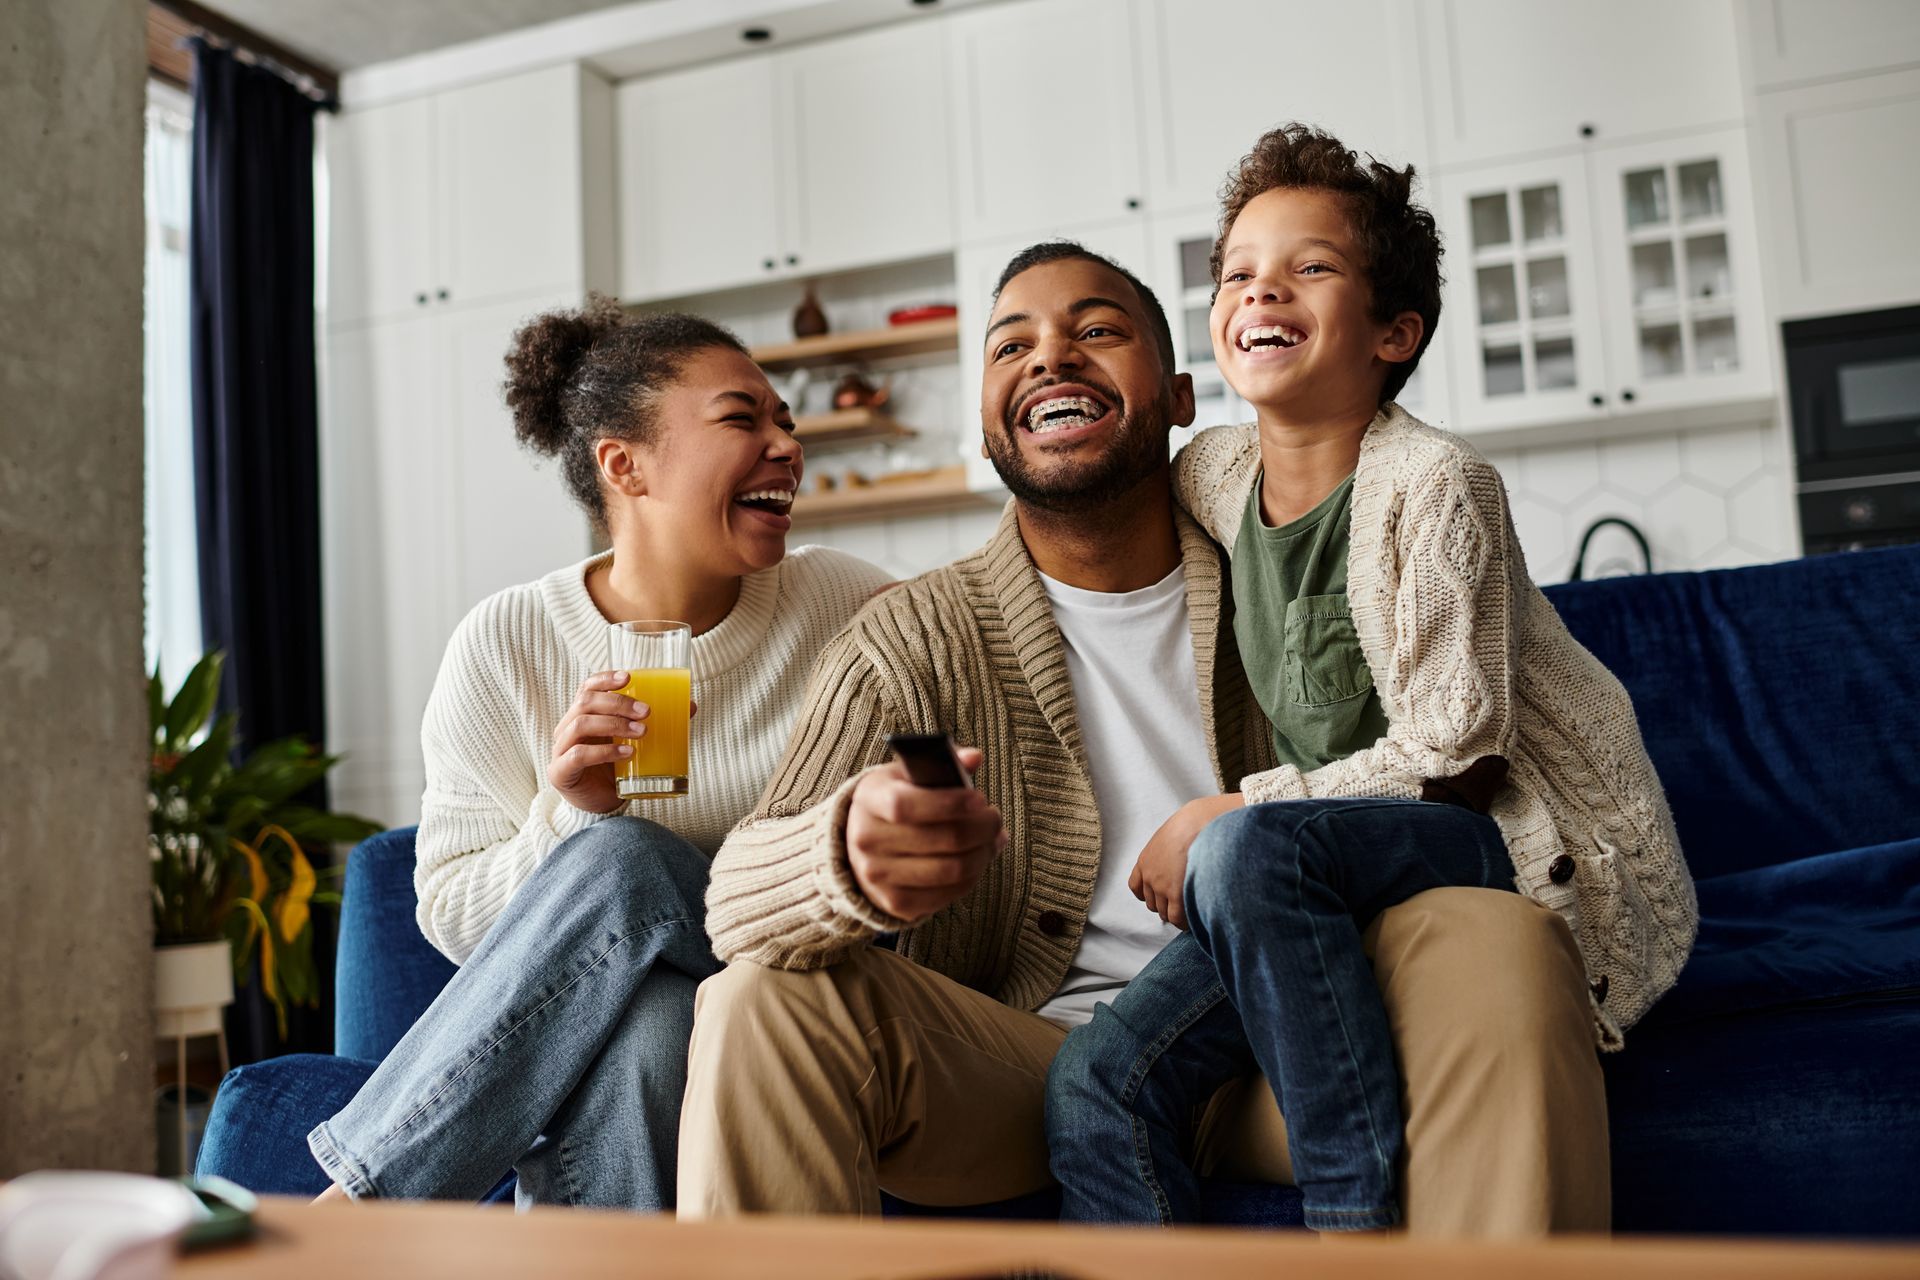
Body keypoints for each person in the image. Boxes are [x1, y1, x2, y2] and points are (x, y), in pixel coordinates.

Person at [673, 243, 1615, 1234]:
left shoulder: (1293, 563)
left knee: (1502, 933)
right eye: (1011, 347)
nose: (1051, 358)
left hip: (1307, 1034)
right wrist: (845, 850)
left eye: (1096, 331)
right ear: (986, 424)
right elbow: (734, 905)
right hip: (1027, 1069)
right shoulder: (910, 636)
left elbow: (1443, 759)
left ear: (1174, 397)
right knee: (756, 1003)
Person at [1044, 123, 1698, 1233]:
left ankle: (1354, 1225)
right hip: (1313, 864)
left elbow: (1457, 754)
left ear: (1395, 331)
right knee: (1093, 1085)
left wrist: (1223, 811)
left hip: (1491, 828)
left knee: (1246, 845)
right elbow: (1082, 498)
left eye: (1310, 267)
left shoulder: (1437, 484)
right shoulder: (1214, 471)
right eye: (1240, 272)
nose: (1265, 290)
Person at [305, 297, 894, 1209]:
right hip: (662, 1013)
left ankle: (360, 1211)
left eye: (785, 419)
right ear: (624, 465)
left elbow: (975, 658)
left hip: (793, 987)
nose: (786, 443)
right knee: (652, 1025)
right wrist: (572, 810)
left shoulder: (841, 603)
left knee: (623, 858)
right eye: (743, 418)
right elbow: (452, 916)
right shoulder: (509, 642)